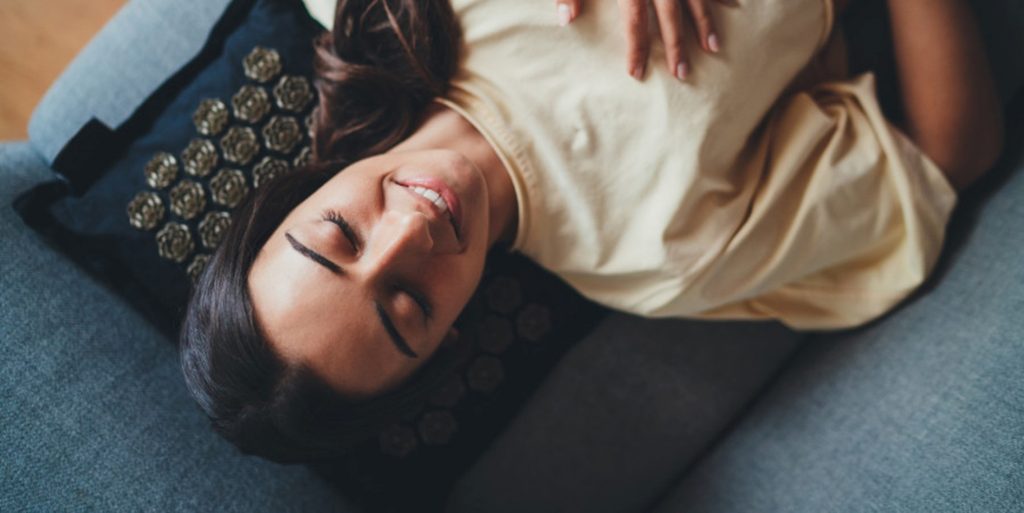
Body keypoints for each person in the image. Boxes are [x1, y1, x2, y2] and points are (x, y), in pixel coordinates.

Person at [180, 0, 1003, 463]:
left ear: (298, 193)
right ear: (452, 338)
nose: (411, 234)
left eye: (339, 236)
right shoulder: (660, 251)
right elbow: (948, 153)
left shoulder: (370, 9)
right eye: (406, 310)